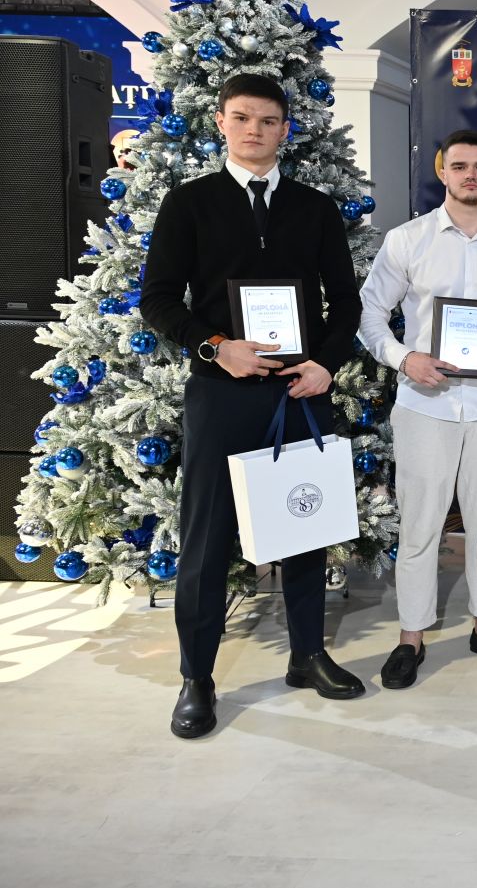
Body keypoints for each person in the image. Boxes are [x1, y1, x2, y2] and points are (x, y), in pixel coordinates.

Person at [143, 73, 364, 739]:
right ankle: (197, 678)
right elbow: (159, 300)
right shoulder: (189, 203)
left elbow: (345, 302)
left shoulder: (314, 208)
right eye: (242, 117)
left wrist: (326, 363)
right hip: (221, 393)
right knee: (207, 539)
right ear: (220, 122)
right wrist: (217, 348)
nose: (255, 130)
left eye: (268, 121)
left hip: (298, 392)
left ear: (285, 130)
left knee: (303, 525)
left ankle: (307, 654)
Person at [358, 129, 477, 689]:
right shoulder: (408, 240)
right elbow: (369, 313)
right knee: (419, 526)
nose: (470, 175)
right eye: (459, 166)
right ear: (442, 172)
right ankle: (411, 637)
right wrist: (404, 357)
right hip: (424, 405)